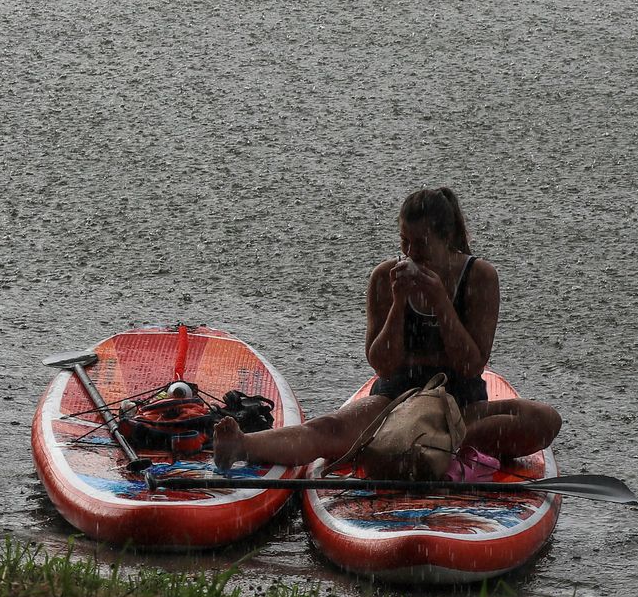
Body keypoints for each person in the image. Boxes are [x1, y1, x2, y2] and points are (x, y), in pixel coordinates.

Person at [213, 187, 562, 471]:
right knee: (328, 429)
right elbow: (381, 364)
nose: (410, 253)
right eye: (404, 243)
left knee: (543, 420)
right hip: (394, 401)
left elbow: (472, 364)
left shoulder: (480, 278)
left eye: (421, 245)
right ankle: (243, 445)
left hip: (459, 407)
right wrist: (398, 305)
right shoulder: (385, 278)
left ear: (447, 239)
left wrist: (441, 303)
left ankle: (420, 445)